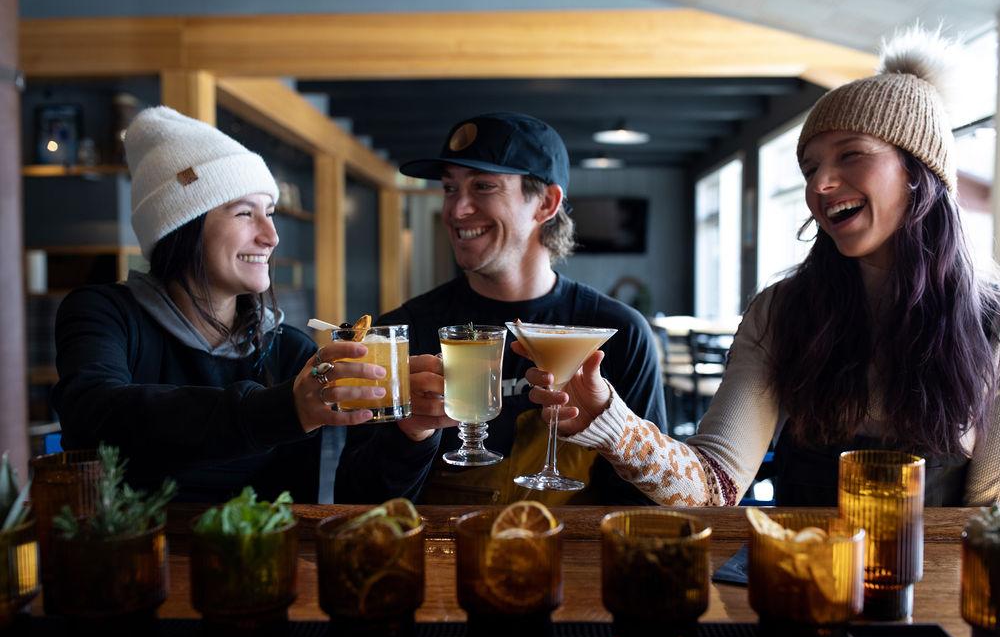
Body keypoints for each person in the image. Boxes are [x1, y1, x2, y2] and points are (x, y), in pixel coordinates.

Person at [520, 27, 1000, 508]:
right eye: (809, 167)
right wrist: (611, 422)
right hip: (794, 581)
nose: (821, 183)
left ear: (922, 173)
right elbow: (714, 486)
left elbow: (999, 521)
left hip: (938, 594)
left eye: (851, 155)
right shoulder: (782, 312)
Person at [52, 106, 383, 502]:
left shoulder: (291, 351)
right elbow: (94, 417)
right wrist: (281, 409)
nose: (271, 236)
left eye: (270, 213)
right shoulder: (105, 315)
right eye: (245, 213)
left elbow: (295, 509)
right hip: (131, 557)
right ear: (181, 227)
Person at [334, 112, 666, 505]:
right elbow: (354, 504)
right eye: (449, 188)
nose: (456, 210)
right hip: (443, 560)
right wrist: (407, 435)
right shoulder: (402, 332)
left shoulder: (619, 332)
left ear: (546, 203)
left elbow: (647, 501)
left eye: (484, 186)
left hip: (573, 560)